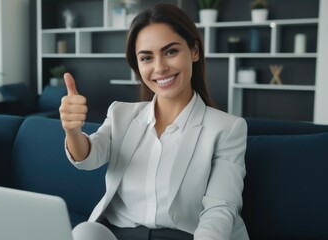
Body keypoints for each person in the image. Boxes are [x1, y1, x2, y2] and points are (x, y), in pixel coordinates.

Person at [59, 3, 249, 240]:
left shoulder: (227, 128)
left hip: (185, 236)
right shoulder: (121, 114)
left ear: (194, 51)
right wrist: (73, 132)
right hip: (119, 234)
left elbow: (220, 209)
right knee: (84, 233)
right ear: (138, 66)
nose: (159, 67)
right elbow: (89, 157)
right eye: (146, 57)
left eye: (171, 51)